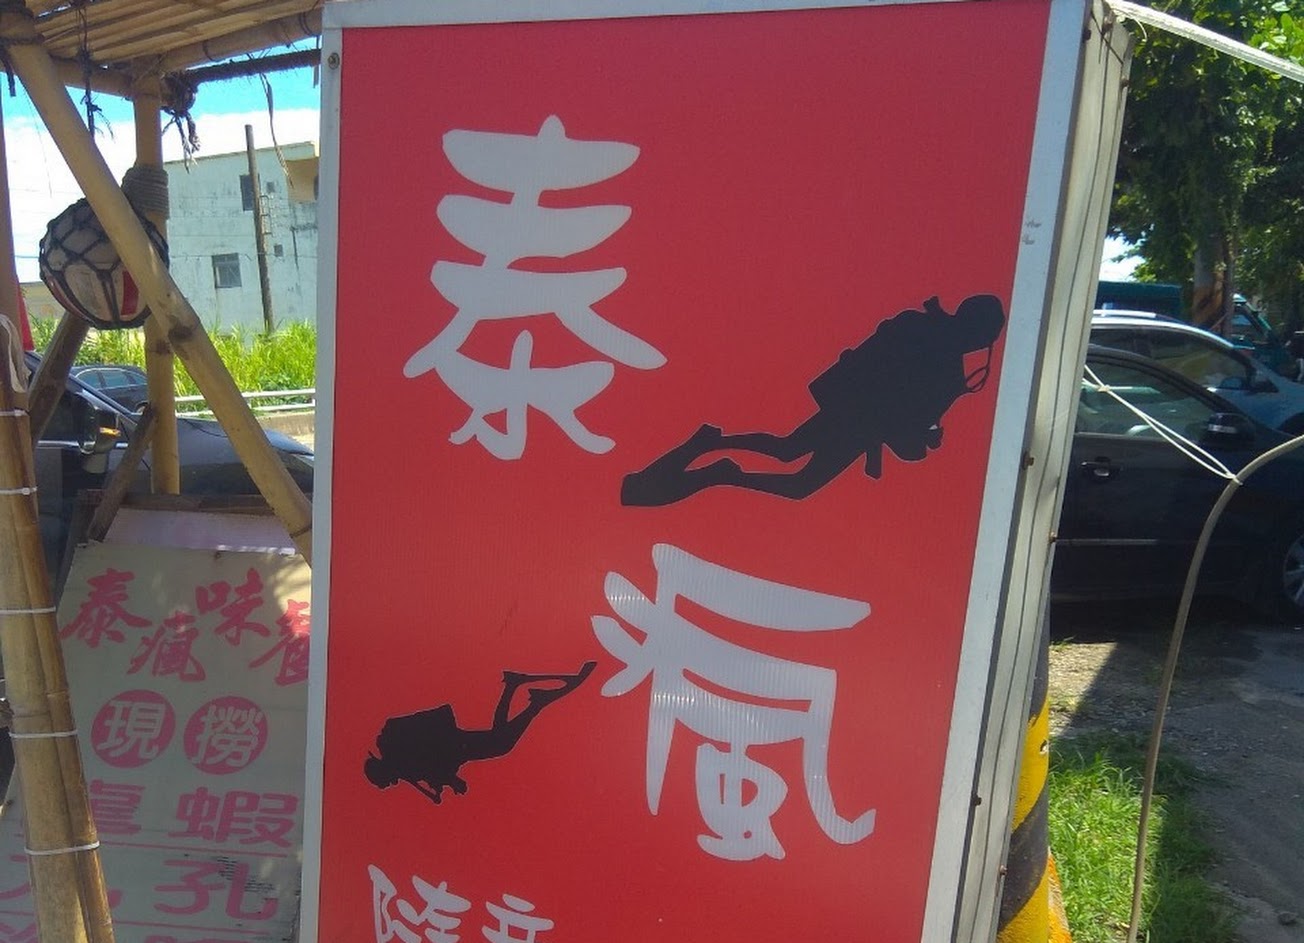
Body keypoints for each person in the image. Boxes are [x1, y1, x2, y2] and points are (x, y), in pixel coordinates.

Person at [621, 294, 1006, 505]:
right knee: (798, 481)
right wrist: (926, 433)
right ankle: (721, 470)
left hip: (851, 411)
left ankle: (714, 445)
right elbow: (908, 421)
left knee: (787, 449)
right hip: (858, 421)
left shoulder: (924, 333)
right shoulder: (943, 366)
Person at [364, 661, 596, 804]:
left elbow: (433, 761)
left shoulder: (403, 762)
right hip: (457, 747)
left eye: (384, 783)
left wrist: (449, 781)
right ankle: (523, 693)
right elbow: (433, 768)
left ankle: (526, 696)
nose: (388, 785)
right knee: (499, 741)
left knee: (500, 743)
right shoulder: (402, 765)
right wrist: (446, 783)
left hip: (457, 745)